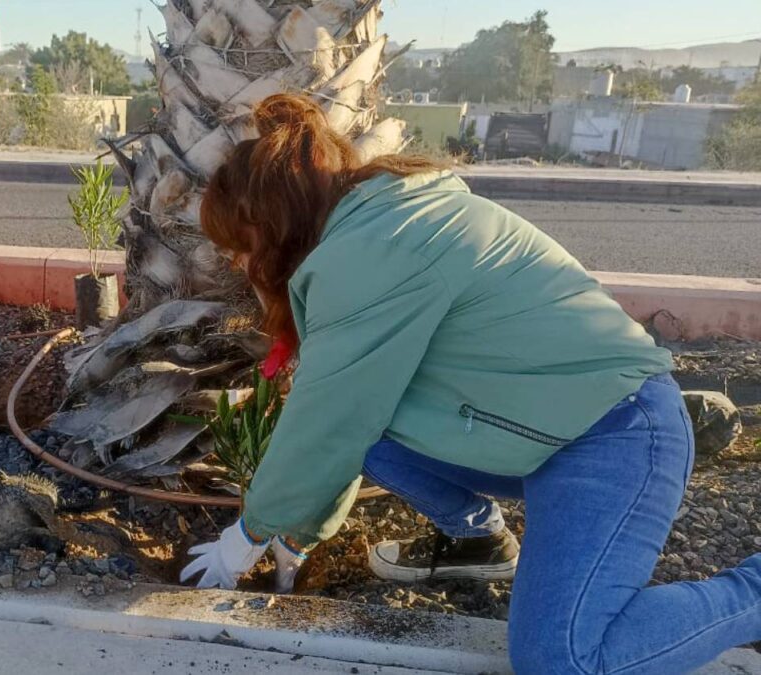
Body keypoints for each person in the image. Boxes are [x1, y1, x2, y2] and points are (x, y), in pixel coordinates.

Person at [180, 94, 760, 674]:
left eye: (240, 245)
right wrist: (297, 535)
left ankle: (753, 590)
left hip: (615, 434)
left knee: (566, 658)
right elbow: (343, 413)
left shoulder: (373, 254)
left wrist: (251, 533)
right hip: (546, 426)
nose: (238, 263)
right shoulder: (382, 221)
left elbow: (329, 421)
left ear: (275, 223)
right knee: (373, 435)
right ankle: (477, 540)